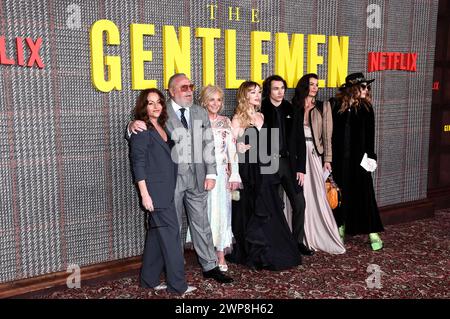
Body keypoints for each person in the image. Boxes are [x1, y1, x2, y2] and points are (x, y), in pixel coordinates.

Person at [128, 74, 233, 283]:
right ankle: (174, 265)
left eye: (191, 86)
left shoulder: (199, 112)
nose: (189, 90)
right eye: (184, 87)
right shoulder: (161, 110)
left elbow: (208, 143)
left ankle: (209, 265)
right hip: (172, 180)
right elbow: (144, 127)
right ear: (172, 91)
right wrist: (131, 126)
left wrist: (212, 172)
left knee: (202, 223)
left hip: (199, 178)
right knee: (172, 225)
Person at [227, 81, 301, 270]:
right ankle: (254, 251)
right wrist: (238, 147)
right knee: (252, 208)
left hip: (266, 168)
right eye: (253, 92)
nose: (258, 95)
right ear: (245, 96)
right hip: (249, 170)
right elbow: (231, 150)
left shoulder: (261, 115)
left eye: (259, 92)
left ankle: (272, 248)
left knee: (270, 207)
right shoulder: (237, 119)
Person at [129, 88, 196, 294]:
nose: (156, 106)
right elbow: (137, 164)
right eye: (150, 103)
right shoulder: (141, 130)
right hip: (155, 194)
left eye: (158, 102)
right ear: (143, 106)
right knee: (172, 238)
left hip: (166, 190)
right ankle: (178, 286)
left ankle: (148, 280)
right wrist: (145, 194)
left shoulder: (161, 127)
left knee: (157, 237)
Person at [291, 74, 345, 254]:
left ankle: (317, 233)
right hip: (297, 155)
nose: (314, 88)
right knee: (299, 194)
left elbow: (328, 135)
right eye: (311, 84)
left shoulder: (324, 106)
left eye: (316, 85)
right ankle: (298, 237)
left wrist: (327, 159)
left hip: (314, 154)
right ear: (303, 86)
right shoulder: (294, 105)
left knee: (316, 193)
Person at [331, 72, 384, 251]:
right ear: (353, 89)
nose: (366, 89)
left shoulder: (367, 109)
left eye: (367, 87)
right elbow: (331, 134)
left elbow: (370, 137)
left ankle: (372, 232)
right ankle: (340, 227)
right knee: (340, 194)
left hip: (360, 160)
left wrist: (370, 158)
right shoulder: (336, 106)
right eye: (363, 86)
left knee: (365, 194)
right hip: (340, 160)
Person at [261, 75, 313, 256]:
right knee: (272, 206)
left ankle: (297, 241)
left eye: (282, 88)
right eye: (276, 88)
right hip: (268, 164)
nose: (280, 91)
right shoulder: (261, 109)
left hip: (289, 164)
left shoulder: (291, 109)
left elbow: (300, 141)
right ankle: (275, 242)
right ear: (269, 90)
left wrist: (301, 168)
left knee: (299, 203)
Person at [199, 85, 241, 271]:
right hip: (204, 175)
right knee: (205, 214)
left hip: (223, 174)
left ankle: (220, 254)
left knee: (222, 214)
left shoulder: (226, 121)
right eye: (212, 99)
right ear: (204, 101)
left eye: (219, 100)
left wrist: (235, 174)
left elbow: (232, 151)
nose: (215, 103)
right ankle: (206, 255)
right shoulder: (197, 120)